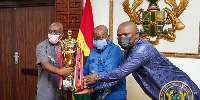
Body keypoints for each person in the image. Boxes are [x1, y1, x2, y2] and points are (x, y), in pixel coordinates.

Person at [82, 21, 200, 100]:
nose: (122, 38)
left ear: (136, 34)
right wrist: (92, 89)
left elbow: (121, 72)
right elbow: (117, 76)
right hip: (162, 91)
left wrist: (97, 77)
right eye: (119, 35)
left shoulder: (142, 49)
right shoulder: (128, 51)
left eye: (126, 34)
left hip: (178, 89)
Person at [75, 25, 126, 100]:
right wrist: (76, 75)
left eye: (101, 38)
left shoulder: (114, 51)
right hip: (95, 95)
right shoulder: (93, 51)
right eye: (95, 38)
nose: (98, 40)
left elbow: (110, 76)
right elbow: (86, 69)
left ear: (108, 37)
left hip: (112, 96)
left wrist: (91, 81)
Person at [36, 22, 74, 100]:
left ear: (62, 35)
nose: (52, 34)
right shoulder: (42, 46)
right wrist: (60, 72)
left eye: (55, 32)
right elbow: (44, 64)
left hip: (61, 91)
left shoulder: (66, 47)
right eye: (50, 31)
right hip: (46, 92)